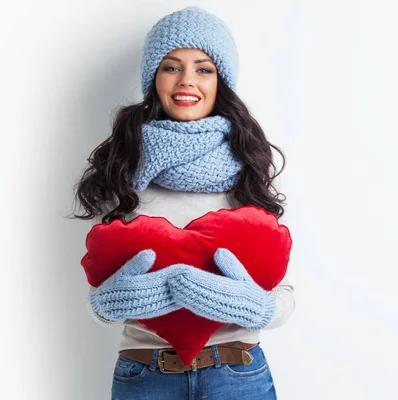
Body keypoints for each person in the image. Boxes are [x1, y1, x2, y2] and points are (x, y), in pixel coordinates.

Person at [72, 6, 295, 399]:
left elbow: (287, 294)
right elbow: (97, 288)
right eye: (171, 67)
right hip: (145, 378)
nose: (186, 80)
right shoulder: (121, 166)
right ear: (154, 78)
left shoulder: (250, 166)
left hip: (238, 377)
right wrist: (105, 304)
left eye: (204, 68)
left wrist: (258, 308)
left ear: (221, 81)